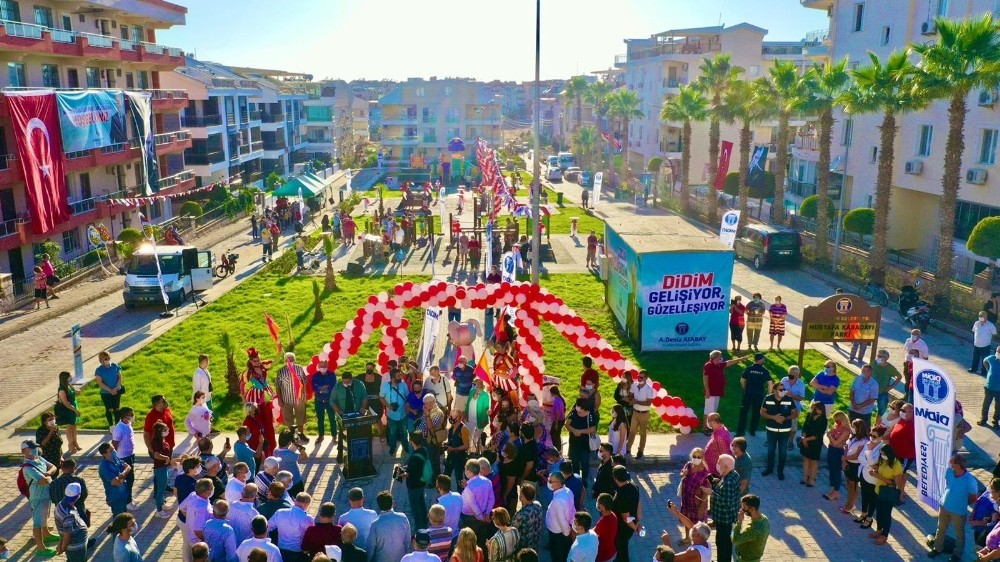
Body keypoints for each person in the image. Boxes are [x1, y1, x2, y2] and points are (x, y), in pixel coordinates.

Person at [928, 454, 980, 560]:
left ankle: (957, 554)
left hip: (958, 511)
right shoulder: (949, 472)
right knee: (940, 528)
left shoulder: (970, 480)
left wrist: (961, 503)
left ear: (957, 465)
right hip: (944, 506)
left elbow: (973, 498)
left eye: (951, 463)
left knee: (959, 533)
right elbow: (948, 485)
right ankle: (937, 548)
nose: (949, 464)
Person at [701, 351, 746, 435]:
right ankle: (705, 428)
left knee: (713, 411)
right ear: (715, 357)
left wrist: (740, 359)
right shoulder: (708, 365)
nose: (721, 358)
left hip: (717, 392)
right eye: (720, 356)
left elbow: (729, 363)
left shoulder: (718, 365)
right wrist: (707, 390)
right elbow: (705, 378)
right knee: (708, 411)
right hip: (711, 392)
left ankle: (711, 427)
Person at [760, 382, 797, 480]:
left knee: (782, 452)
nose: (783, 391)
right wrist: (774, 417)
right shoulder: (768, 399)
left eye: (784, 389)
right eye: (781, 390)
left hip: (784, 431)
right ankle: (769, 469)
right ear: (775, 390)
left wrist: (784, 418)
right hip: (771, 430)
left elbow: (795, 413)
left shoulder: (789, 399)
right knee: (770, 450)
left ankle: (780, 471)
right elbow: (762, 412)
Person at [869, 444, 905, 546]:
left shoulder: (896, 465)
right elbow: (880, 471)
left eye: (884, 454)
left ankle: (885, 535)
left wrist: (878, 476)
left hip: (888, 493)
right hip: (878, 491)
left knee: (886, 515)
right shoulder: (883, 461)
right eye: (881, 454)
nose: (882, 456)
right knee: (879, 513)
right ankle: (879, 530)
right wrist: (874, 472)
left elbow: (895, 482)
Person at [267, 492, 314, 561]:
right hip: (297, 552)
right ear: (306, 504)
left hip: (281, 549)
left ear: (295, 501)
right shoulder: (308, 518)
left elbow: (268, 527)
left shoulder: (280, 512)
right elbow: (311, 535)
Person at [678, 448, 711, 544]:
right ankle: (687, 537)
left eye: (698, 457)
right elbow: (681, 473)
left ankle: (699, 541)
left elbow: (706, 491)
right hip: (687, 499)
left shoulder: (705, 473)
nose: (696, 458)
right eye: (694, 456)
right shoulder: (688, 465)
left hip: (698, 502)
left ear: (702, 458)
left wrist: (702, 506)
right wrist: (683, 474)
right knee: (686, 519)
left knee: (698, 524)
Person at [276, 353, 310, 444]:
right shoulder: (281, 371)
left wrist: (305, 394)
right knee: (288, 418)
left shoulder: (299, 368)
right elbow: (278, 386)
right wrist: (279, 399)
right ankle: (291, 435)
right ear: (285, 360)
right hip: (286, 399)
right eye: (288, 359)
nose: (290, 361)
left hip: (299, 398)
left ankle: (301, 434)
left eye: (292, 359)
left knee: (301, 417)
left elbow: (305, 381)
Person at [368, 491, 411, 562]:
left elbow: (370, 547)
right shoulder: (403, 518)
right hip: (400, 559)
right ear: (393, 503)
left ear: (379, 506)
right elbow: (407, 540)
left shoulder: (375, 524)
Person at [736, 353, 772, 437]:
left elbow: (742, 380)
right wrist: (768, 395)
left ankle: (740, 432)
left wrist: (745, 389)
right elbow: (770, 383)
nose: (764, 360)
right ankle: (752, 431)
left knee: (743, 413)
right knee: (756, 413)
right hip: (759, 395)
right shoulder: (765, 371)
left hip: (748, 394)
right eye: (763, 359)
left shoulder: (749, 369)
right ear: (761, 360)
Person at [179, 479, 215, 562]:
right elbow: (198, 531)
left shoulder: (193, 495)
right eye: (211, 487)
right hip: (198, 540)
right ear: (205, 492)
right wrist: (206, 541)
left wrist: (190, 518)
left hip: (190, 535)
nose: (213, 488)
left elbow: (181, 507)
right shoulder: (202, 508)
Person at [460, 458, 494, 546]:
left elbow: (473, 505)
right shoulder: (487, 481)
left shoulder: (469, 487)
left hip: (470, 518)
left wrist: (481, 517)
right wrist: (487, 513)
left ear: (469, 471)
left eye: (465, 469)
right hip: (483, 515)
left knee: (470, 543)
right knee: (482, 541)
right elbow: (491, 499)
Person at [841, 418, 869, 516]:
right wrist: (845, 458)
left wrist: (845, 458)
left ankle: (850, 505)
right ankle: (848, 503)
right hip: (848, 463)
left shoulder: (864, 441)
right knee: (848, 484)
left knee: (854, 486)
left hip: (856, 465)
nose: (852, 428)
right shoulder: (852, 437)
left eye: (854, 427)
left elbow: (857, 455)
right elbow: (846, 447)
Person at [611, 466, 641, 562]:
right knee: (623, 545)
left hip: (623, 527)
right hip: (632, 523)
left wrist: (634, 527)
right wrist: (638, 521)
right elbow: (639, 504)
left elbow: (626, 517)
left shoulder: (621, 495)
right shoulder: (634, 487)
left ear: (615, 478)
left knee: (621, 546)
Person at [54, 481, 87, 562]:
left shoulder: (60, 504)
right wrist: (63, 547)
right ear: (78, 495)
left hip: (74, 546)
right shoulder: (69, 515)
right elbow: (67, 535)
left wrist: (60, 543)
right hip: (76, 548)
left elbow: (64, 528)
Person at [381, 368, 411, 456]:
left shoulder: (403, 385)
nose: (400, 377)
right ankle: (392, 447)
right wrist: (388, 406)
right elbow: (381, 397)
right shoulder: (385, 386)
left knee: (404, 432)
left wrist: (407, 406)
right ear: (393, 378)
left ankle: (406, 447)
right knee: (392, 433)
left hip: (403, 414)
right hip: (391, 415)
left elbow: (407, 396)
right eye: (398, 376)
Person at [405, 431, 433, 530]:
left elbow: (412, 474)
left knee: (416, 508)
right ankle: (425, 523)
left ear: (412, 442)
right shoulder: (424, 450)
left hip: (414, 486)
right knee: (421, 503)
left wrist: (404, 474)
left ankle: (419, 529)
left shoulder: (414, 458)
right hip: (422, 483)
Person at [546, 473, 575, 562]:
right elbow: (572, 510)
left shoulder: (558, 500)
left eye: (551, 481)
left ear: (559, 484)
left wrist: (567, 534)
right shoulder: (568, 491)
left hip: (558, 535)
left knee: (557, 557)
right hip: (564, 532)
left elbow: (562, 521)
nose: (548, 482)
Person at [731, 494, 770, 562]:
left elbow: (735, 539)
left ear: (752, 509)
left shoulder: (755, 529)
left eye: (744, 508)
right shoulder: (764, 519)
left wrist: (739, 522)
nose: (741, 510)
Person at [627, 370, 656, 456]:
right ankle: (628, 449)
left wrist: (636, 401)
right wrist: (631, 399)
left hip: (644, 413)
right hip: (635, 412)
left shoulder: (649, 389)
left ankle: (640, 451)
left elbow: (648, 403)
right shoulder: (634, 385)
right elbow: (630, 394)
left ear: (646, 378)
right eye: (638, 376)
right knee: (632, 431)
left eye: (641, 377)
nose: (639, 378)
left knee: (642, 433)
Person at [566, 399, 596, 482]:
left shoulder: (590, 414)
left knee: (584, 462)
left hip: (585, 444)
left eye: (578, 405)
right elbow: (567, 424)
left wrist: (580, 431)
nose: (577, 407)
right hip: (573, 442)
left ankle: (585, 479)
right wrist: (573, 430)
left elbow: (593, 429)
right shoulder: (574, 413)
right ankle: (576, 479)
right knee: (574, 462)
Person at [98, 442, 132, 517]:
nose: (114, 452)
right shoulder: (104, 467)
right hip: (115, 497)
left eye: (113, 449)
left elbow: (128, 467)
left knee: (124, 515)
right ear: (105, 454)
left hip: (123, 494)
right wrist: (123, 476)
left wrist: (122, 475)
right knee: (119, 518)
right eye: (111, 451)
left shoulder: (115, 459)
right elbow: (116, 483)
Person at [823, 411, 850, 502]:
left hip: (838, 451)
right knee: (831, 470)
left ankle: (836, 491)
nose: (836, 422)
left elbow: (836, 443)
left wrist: (830, 436)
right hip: (831, 450)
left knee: (837, 471)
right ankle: (832, 488)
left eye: (837, 420)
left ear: (842, 419)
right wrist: (830, 434)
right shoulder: (836, 427)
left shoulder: (846, 430)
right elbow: (829, 436)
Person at [798, 401, 826, 487]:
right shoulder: (809, 416)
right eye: (814, 408)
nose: (815, 410)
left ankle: (812, 479)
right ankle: (805, 477)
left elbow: (819, 434)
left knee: (813, 461)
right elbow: (805, 427)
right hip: (805, 440)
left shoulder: (824, 420)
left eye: (817, 408)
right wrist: (803, 438)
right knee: (806, 459)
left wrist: (806, 439)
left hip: (815, 443)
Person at [272, 429, 308, 496]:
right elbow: (305, 457)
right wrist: (300, 448)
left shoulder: (276, 450)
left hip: (283, 481)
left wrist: (294, 444)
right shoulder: (289, 455)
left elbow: (289, 451)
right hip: (294, 482)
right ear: (289, 442)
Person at [150, 420, 174, 517]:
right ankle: (159, 511)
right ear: (160, 432)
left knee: (163, 487)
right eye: (165, 429)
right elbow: (156, 455)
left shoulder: (162, 440)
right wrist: (166, 458)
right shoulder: (157, 442)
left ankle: (162, 504)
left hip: (164, 467)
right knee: (160, 490)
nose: (167, 430)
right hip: (160, 468)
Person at [779, 366, 807, 450]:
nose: (791, 375)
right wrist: (783, 392)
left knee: (793, 426)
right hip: (783, 406)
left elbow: (801, 398)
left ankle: (790, 442)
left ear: (797, 374)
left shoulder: (801, 384)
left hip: (794, 408)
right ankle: (780, 440)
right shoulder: (784, 380)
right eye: (790, 373)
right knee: (780, 423)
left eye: (794, 374)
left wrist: (792, 395)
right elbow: (779, 391)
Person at [55, 371, 82, 453]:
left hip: (73, 407)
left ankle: (75, 442)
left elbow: (74, 391)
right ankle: (70, 444)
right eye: (69, 377)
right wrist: (75, 410)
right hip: (68, 410)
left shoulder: (68, 385)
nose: (71, 378)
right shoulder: (62, 389)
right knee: (70, 427)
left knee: (74, 426)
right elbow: (65, 403)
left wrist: (77, 391)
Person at [95, 350, 124, 428]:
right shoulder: (99, 370)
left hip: (116, 390)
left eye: (108, 358)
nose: (107, 360)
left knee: (117, 408)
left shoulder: (115, 366)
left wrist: (116, 388)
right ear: (101, 360)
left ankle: (118, 425)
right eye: (105, 359)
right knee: (109, 409)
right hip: (106, 393)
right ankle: (111, 426)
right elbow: (100, 383)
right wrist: (110, 390)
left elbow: (120, 377)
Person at [870, 349, 902, 417]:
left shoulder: (890, 368)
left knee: (881, 411)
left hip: (882, 392)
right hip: (871, 391)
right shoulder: (873, 363)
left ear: (886, 358)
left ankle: (877, 425)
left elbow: (899, 376)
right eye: (877, 355)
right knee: (867, 408)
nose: (878, 357)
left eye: (880, 356)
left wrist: (892, 386)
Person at [312, 360, 338, 443]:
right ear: (318, 367)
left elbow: (333, 386)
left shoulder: (332, 375)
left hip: (329, 401)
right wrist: (322, 388)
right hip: (319, 400)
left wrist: (321, 388)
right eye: (321, 366)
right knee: (320, 419)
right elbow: (314, 386)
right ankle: (321, 436)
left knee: (332, 419)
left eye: (324, 366)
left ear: (327, 367)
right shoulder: (315, 375)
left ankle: (334, 436)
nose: (323, 368)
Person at [888, 402, 916, 477]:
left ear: (910, 413)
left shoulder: (911, 426)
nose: (901, 412)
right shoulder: (902, 420)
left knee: (899, 475)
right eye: (901, 410)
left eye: (903, 410)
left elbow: (915, 442)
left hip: (904, 456)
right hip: (896, 454)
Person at [466, 378, 491, 454]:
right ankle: (468, 449)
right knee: (468, 435)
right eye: (472, 384)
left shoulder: (485, 395)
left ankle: (474, 451)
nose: (473, 385)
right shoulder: (471, 391)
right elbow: (468, 403)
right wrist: (466, 412)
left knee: (476, 437)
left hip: (479, 420)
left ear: (480, 385)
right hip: (470, 418)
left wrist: (484, 420)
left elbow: (486, 409)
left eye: (474, 384)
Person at [982, 345, 1000, 429]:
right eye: (998, 351)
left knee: (998, 407)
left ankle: (996, 421)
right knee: (986, 404)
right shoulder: (991, 358)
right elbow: (985, 361)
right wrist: (988, 369)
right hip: (989, 387)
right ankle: (983, 419)